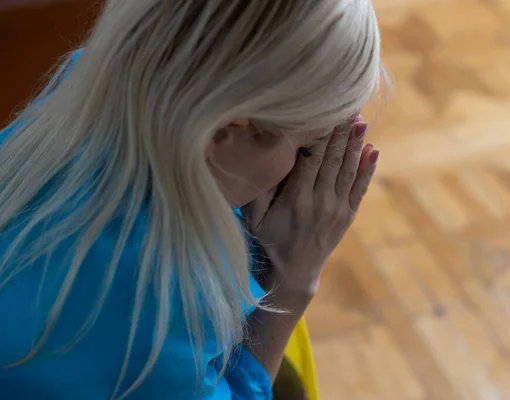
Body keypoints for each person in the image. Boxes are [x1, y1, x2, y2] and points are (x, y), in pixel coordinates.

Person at [0, 0, 386, 399]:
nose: (297, 173)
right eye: (305, 149)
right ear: (222, 134)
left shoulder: (84, 80)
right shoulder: (166, 301)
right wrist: (294, 280)